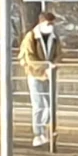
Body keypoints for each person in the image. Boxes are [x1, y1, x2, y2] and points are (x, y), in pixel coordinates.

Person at [18, 11, 62, 146]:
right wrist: (44, 67)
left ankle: (44, 130)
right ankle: (38, 134)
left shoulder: (54, 37)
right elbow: (29, 57)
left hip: (49, 74)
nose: (51, 26)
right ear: (41, 22)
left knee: (50, 106)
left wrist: (54, 64)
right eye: (49, 23)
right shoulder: (31, 37)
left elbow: (58, 53)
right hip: (35, 74)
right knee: (39, 106)